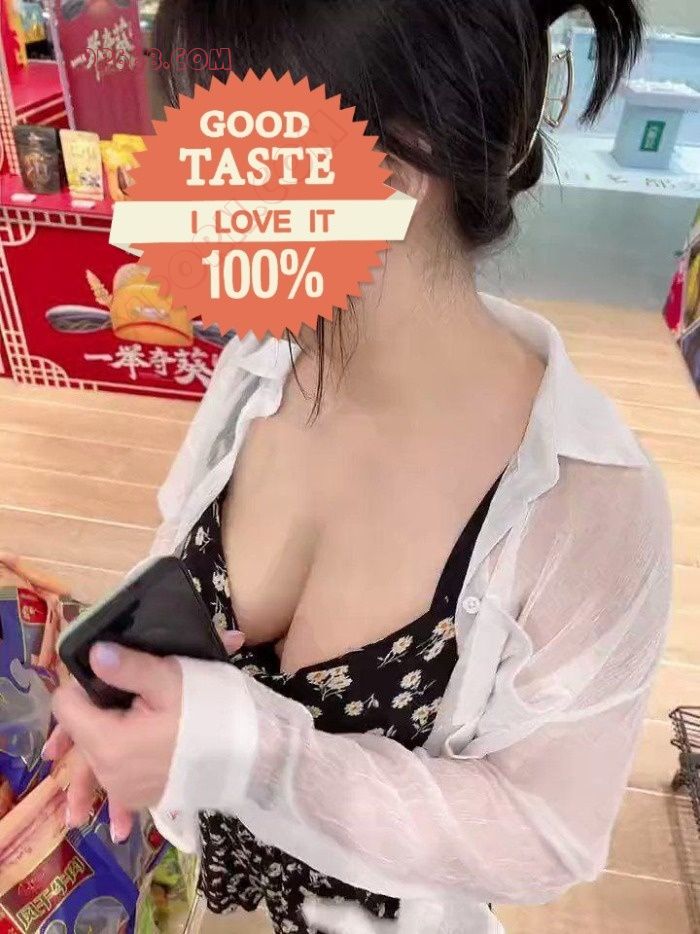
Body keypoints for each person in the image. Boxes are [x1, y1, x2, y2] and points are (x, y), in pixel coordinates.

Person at [47, 2, 673, 933]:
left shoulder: (586, 504)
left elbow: (548, 833)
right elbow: (177, 567)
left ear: (403, 161)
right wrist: (125, 708)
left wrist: (245, 749)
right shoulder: (258, 367)